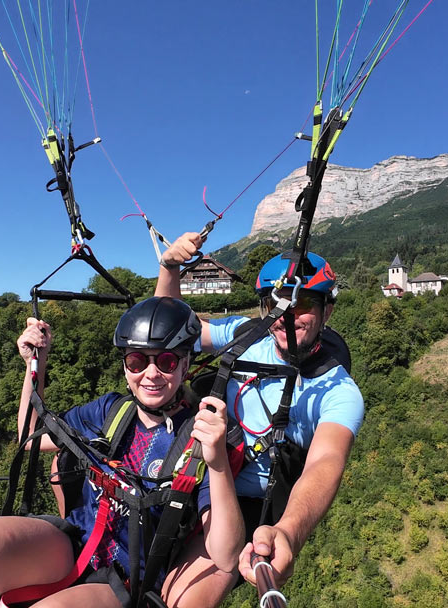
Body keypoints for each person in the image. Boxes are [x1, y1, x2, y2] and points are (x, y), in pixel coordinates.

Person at [0, 297, 243, 608]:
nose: (150, 374)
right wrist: (36, 364)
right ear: (125, 366)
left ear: (185, 365)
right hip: (72, 541)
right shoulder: (111, 411)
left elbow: (225, 554)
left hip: (124, 578)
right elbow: (31, 438)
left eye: (166, 361)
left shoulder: (198, 438)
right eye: (137, 361)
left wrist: (216, 463)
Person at [155, 233, 364, 607]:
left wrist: (288, 531)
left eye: (303, 305)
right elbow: (167, 330)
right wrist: (169, 269)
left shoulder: (336, 391)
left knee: (177, 599)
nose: (287, 316)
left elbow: (325, 462)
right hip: (193, 471)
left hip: (245, 501)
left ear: (327, 312)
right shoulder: (246, 335)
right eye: (277, 303)